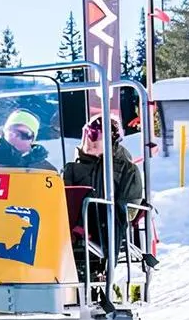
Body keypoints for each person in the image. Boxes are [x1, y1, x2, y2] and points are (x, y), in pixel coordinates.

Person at [63, 115, 148, 270]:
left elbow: (130, 209)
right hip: (73, 225)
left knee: (99, 203)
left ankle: (106, 261)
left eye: (96, 136)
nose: (90, 141)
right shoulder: (72, 169)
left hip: (107, 226)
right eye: (87, 135)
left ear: (111, 140)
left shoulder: (126, 169)